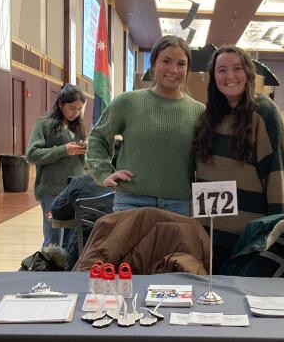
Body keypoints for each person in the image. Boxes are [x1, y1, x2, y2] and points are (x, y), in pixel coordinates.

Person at [193, 45, 284, 270]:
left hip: (249, 239)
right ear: (213, 77)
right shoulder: (207, 117)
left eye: (237, 68)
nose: (229, 76)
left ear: (248, 73)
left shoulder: (264, 112)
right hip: (208, 237)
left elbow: (279, 174)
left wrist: (278, 232)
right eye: (221, 70)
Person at [86, 35, 205, 217]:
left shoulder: (199, 112)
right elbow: (97, 137)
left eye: (181, 64)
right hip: (131, 202)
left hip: (179, 205)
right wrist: (103, 173)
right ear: (154, 63)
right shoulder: (128, 102)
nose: (174, 69)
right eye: (166, 61)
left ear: (188, 69)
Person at [26, 83, 87, 248]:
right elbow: (32, 154)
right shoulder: (44, 123)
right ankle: (48, 271)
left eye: (79, 109)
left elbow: (83, 162)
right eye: (72, 108)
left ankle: (66, 272)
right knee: (53, 242)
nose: (76, 113)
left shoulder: (78, 126)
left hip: (74, 191)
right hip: (52, 191)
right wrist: (63, 150)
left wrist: (85, 150)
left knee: (71, 242)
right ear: (61, 105)